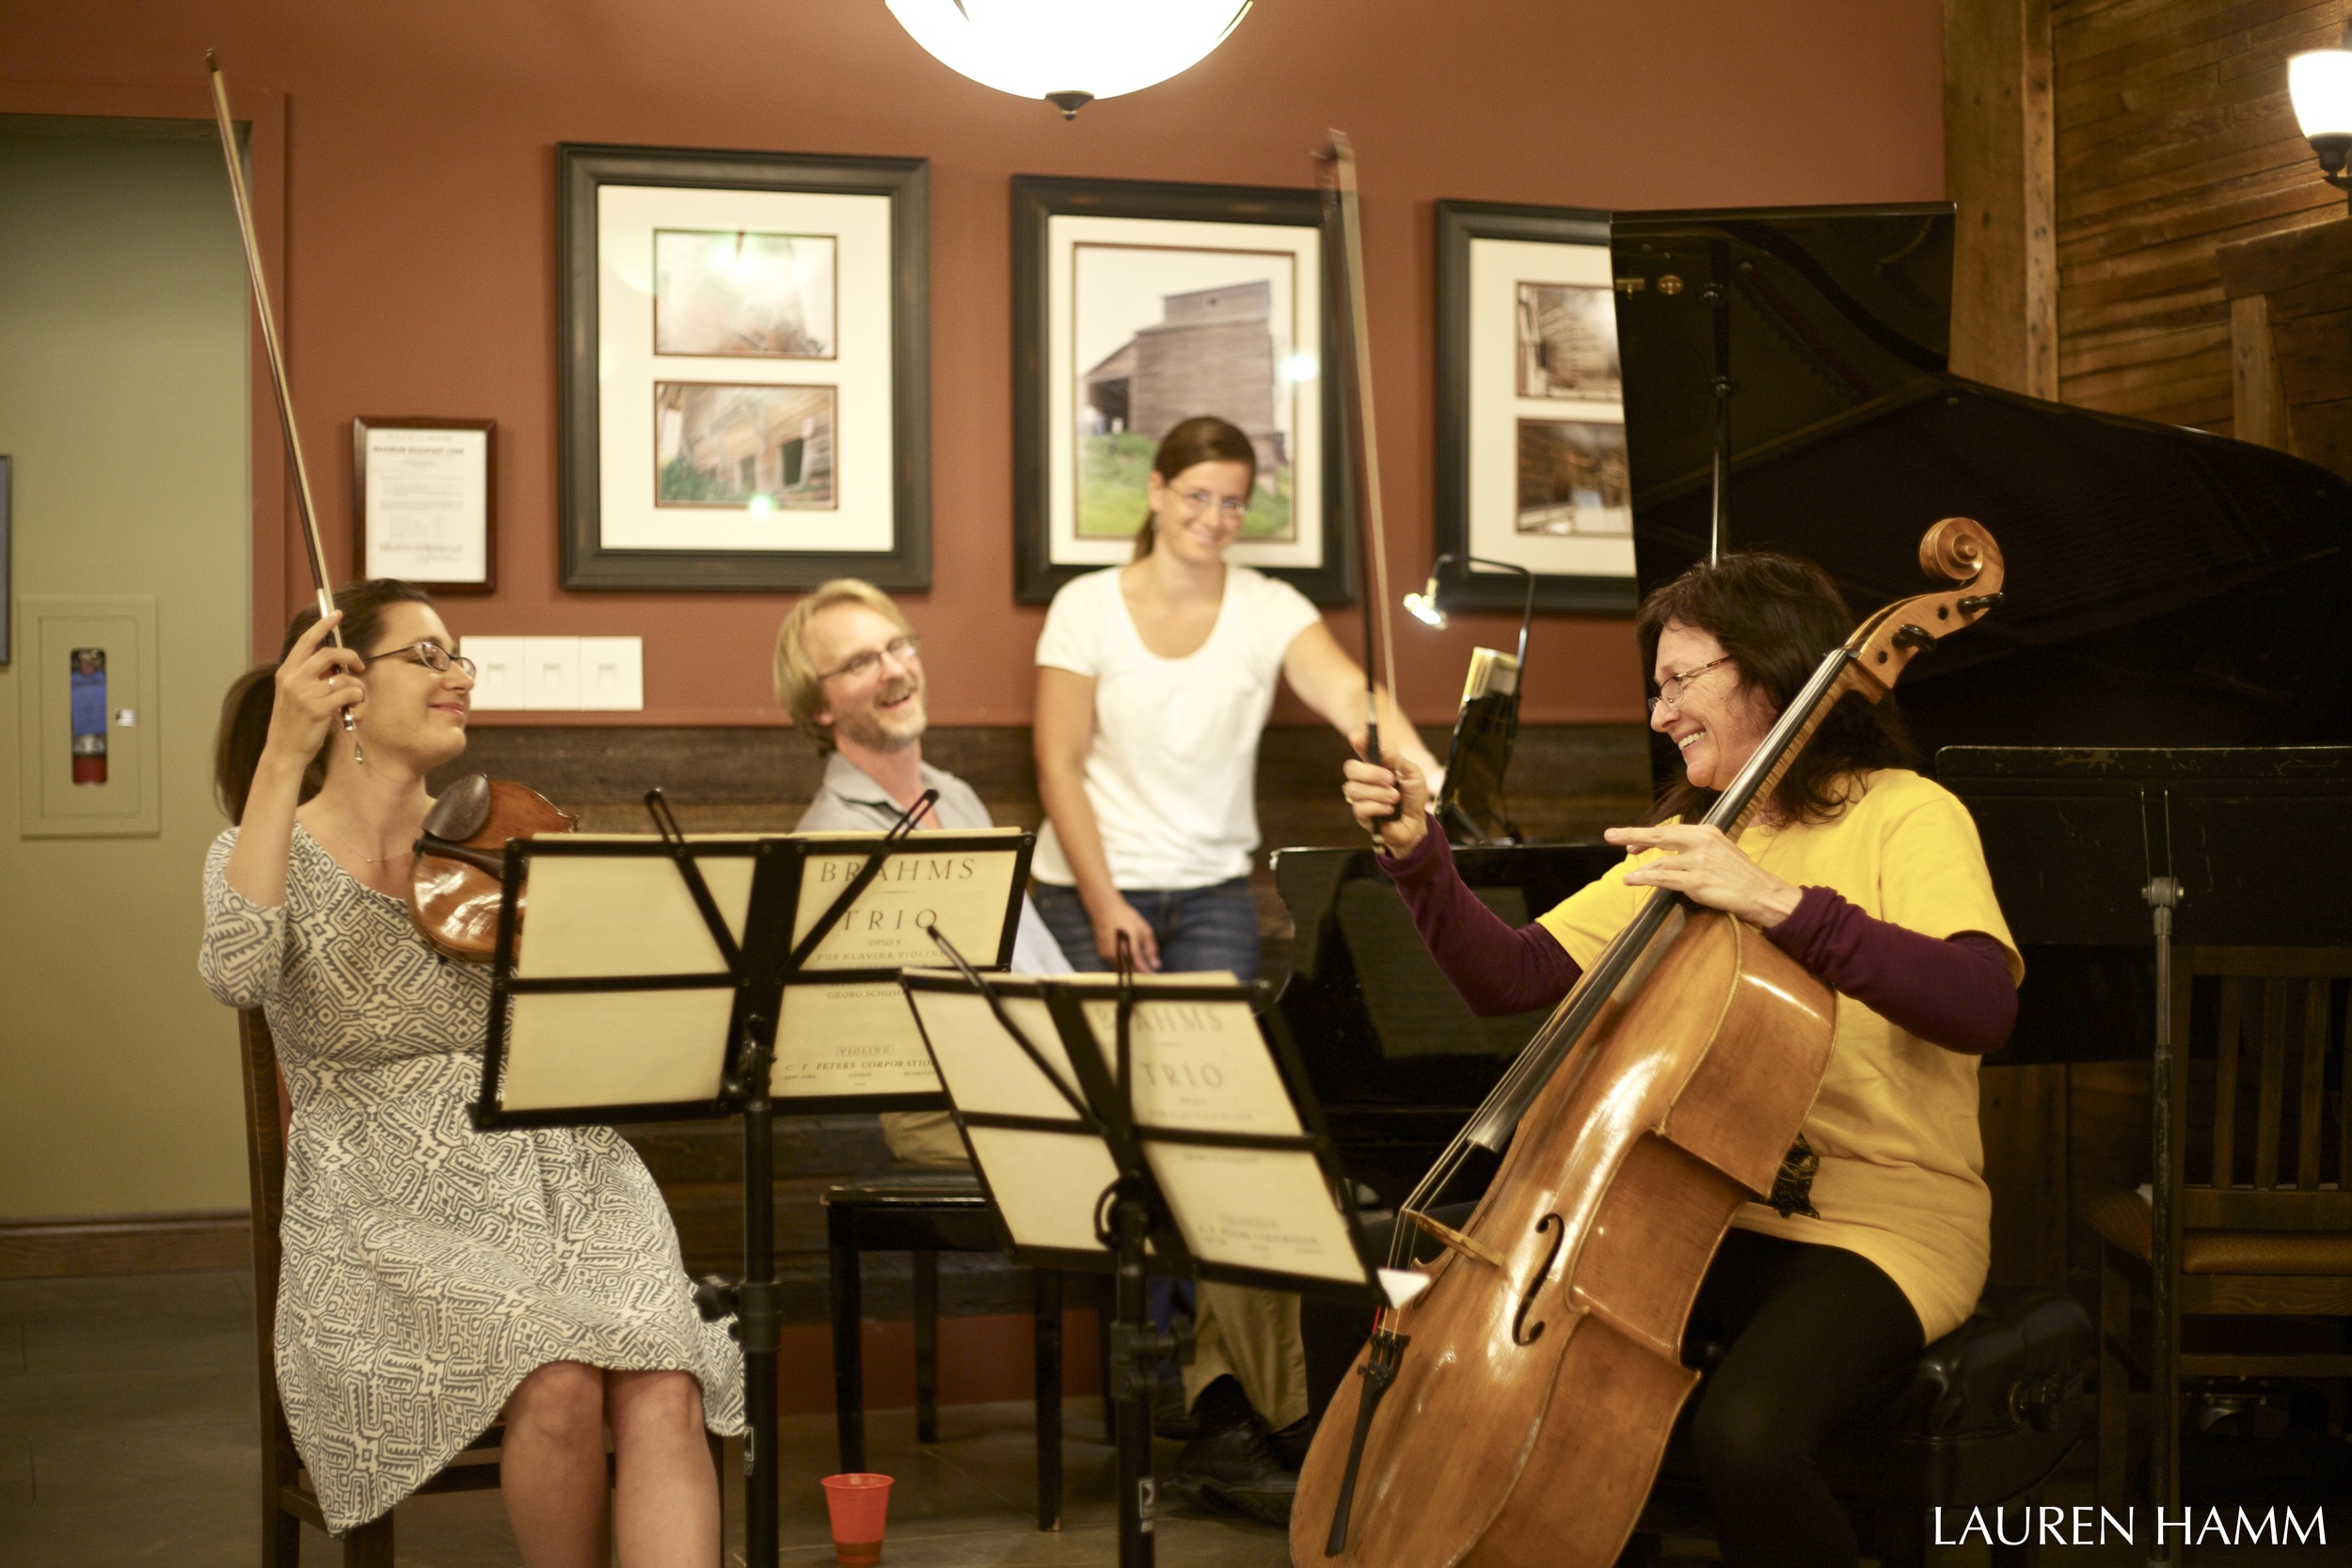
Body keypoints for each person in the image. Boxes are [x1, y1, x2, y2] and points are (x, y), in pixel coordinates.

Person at [1327, 550, 2022, 1568]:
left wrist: (1776, 901)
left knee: (1745, 1434)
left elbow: (1979, 1003)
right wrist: (1416, 853)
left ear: (1773, 672)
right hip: (1704, 1209)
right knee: (1518, 1378)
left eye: (1680, 682)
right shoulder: (1696, 839)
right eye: (1658, 690)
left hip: (1886, 1220)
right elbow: (1511, 977)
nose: (1660, 716)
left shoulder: (1907, 811)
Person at [200, 580, 741, 1568]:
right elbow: (234, 972)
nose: (459, 675)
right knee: (560, 1372)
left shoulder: (499, 837)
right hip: (382, 1201)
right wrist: (282, 755)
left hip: (561, 1164)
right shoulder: (261, 847)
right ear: (343, 685)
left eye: (460, 657)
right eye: (429, 655)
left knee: (667, 1374)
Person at [1030, 413, 1447, 1524]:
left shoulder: (1267, 608)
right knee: (1135, 1136)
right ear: (1158, 491)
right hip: (1085, 894)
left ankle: (1218, 1394)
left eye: (1232, 501)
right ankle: (1190, 1381)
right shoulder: (1086, 604)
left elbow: (1354, 696)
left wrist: (1419, 762)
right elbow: (1057, 762)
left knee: (1214, 1137)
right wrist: (1108, 897)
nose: (1214, 519)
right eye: (1196, 496)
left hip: (1213, 896)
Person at [774, 578, 1071, 1167]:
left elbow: (1033, 953)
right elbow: (916, 1028)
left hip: (1041, 1064)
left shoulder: (955, 797)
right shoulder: (832, 839)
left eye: (898, 646)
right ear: (820, 705)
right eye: (860, 661)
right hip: (947, 1102)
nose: (892, 670)